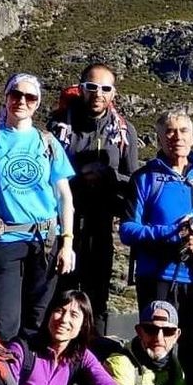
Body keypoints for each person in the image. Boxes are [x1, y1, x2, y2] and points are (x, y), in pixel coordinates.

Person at [0, 73, 76, 344]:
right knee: (4, 321)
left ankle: (29, 381)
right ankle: (4, 380)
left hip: (45, 241)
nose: (21, 101)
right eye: (15, 95)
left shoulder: (48, 143)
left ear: (37, 103)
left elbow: (64, 196)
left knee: (38, 321)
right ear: (6, 97)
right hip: (3, 240)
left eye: (30, 97)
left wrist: (67, 243)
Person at [119, 109, 193, 346]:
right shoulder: (144, 178)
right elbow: (128, 229)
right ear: (159, 138)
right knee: (157, 346)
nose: (177, 137)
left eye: (183, 131)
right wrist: (170, 232)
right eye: (169, 131)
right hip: (156, 276)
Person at [52, 63, 140, 328]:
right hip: (61, 227)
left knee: (96, 300)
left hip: (100, 226)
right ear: (81, 89)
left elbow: (133, 182)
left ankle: (94, 355)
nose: (98, 93)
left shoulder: (125, 132)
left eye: (105, 88)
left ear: (113, 93)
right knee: (58, 296)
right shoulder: (58, 127)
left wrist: (109, 176)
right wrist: (78, 175)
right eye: (91, 87)